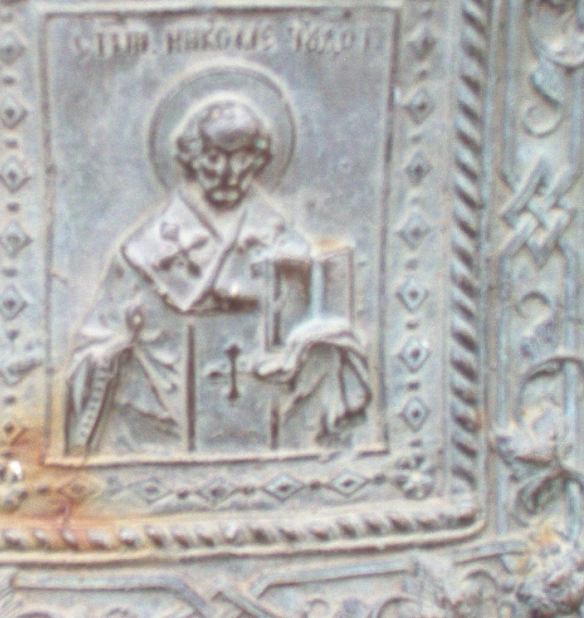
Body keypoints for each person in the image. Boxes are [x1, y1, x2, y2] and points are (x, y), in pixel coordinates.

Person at [64, 95, 371, 457]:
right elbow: (94, 347)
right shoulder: (144, 253)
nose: (228, 173)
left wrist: (308, 348)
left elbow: (319, 325)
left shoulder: (283, 239)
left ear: (258, 160)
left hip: (276, 439)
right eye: (213, 158)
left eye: (241, 159)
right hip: (161, 443)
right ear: (191, 159)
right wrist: (118, 355)